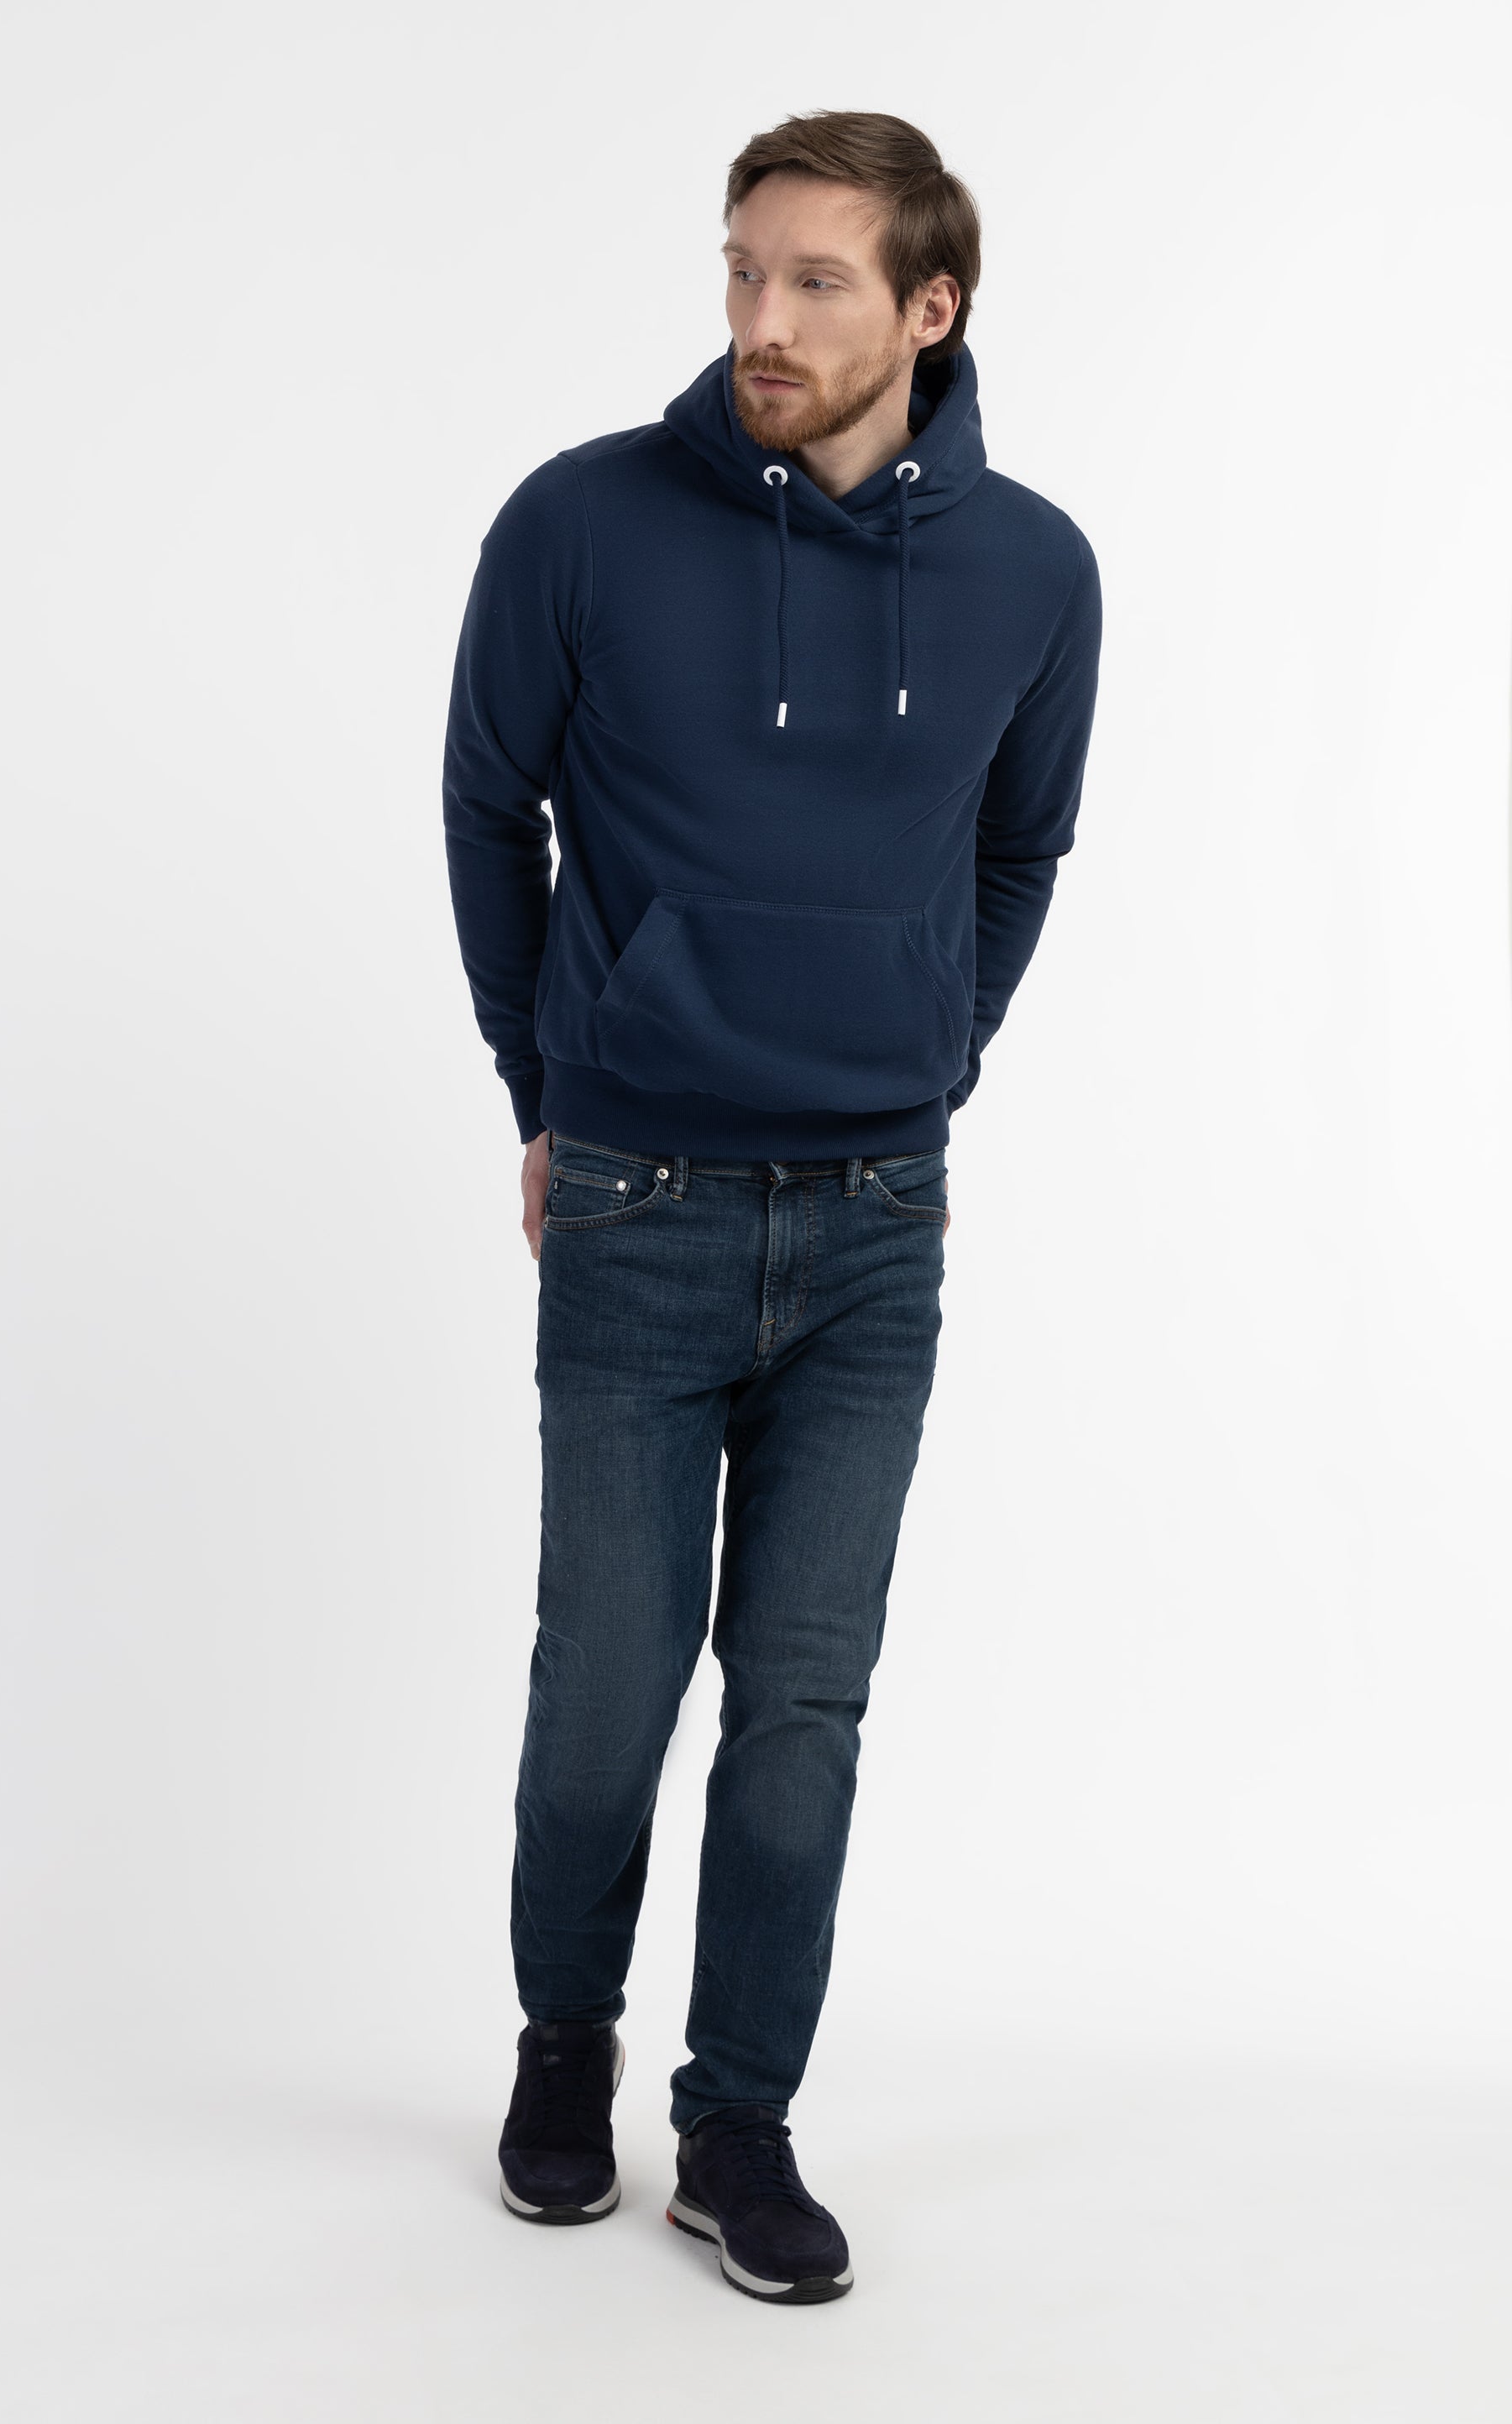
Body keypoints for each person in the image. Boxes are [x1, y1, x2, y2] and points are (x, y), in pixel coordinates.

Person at [442, 109, 1101, 2303]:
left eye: (817, 281)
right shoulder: (583, 521)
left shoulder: (1034, 573)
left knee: (805, 1706)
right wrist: (547, 1088)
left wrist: (935, 1052)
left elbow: (1019, 852)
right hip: (635, 1197)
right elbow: (489, 805)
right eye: (742, 270)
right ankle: (564, 2047)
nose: (761, 321)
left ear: (930, 307)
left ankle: (738, 2123)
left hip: (878, 1225)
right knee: (607, 1691)